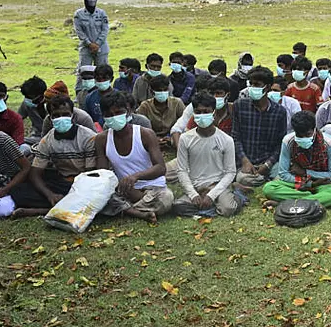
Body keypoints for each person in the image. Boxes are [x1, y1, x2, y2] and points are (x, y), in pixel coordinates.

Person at [9, 94, 98, 218]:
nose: (61, 118)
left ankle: (42, 210)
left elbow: (90, 174)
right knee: (18, 191)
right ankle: (60, 204)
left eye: (65, 114)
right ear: (50, 118)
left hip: (84, 182)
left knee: (90, 194)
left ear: (72, 116)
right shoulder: (47, 140)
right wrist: (49, 194)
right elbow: (35, 173)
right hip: (62, 182)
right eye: (56, 115)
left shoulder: (88, 137)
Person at [96, 91, 172, 222]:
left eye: (119, 112)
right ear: (103, 116)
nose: (114, 117)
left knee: (166, 198)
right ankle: (139, 212)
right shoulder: (102, 139)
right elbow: (103, 173)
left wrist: (135, 177)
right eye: (109, 115)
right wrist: (116, 185)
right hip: (123, 190)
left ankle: (126, 209)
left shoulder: (145, 134)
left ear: (128, 111)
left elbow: (160, 168)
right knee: (100, 196)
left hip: (152, 188)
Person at [173, 93, 246, 218]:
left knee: (228, 209)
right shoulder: (185, 138)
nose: (202, 115)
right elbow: (182, 170)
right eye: (198, 112)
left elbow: (230, 172)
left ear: (213, 112)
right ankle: (209, 207)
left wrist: (211, 195)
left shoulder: (226, 140)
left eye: (206, 111)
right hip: (195, 186)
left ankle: (237, 196)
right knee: (177, 206)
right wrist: (193, 194)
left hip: (217, 185)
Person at [263, 111, 331, 208]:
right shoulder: (288, 141)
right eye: (299, 135)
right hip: (297, 182)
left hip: (323, 184)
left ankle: (288, 203)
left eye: (308, 134)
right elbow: (283, 174)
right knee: (269, 188)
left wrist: (305, 172)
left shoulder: (329, 142)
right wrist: (310, 184)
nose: (304, 138)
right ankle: (311, 201)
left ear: (314, 130)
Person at [232, 66, 288, 187]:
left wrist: (268, 164)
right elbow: (236, 137)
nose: (252, 88)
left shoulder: (279, 112)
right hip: (246, 160)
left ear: (267, 87)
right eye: (250, 84)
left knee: (283, 176)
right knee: (243, 179)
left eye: (257, 84)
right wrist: (245, 161)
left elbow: (280, 144)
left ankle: (266, 179)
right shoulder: (240, 106)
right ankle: (266, 181)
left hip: (269, 161)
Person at [73, 0, 109, 90]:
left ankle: (103, 91)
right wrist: (89, 44)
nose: (92, 0)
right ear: (85, 0)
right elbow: (79, 31)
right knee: (83, 71)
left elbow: (105, 29)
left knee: (103, 71)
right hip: (86, 48)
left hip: (101, 47)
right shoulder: (78, 14)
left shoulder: (101, 13)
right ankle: (80, 92)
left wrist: (97, 44)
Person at [137, 75, 186, 147]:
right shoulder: (145, 106)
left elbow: (185, 123)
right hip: (152, 138)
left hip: (173, 136)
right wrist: (154, 139)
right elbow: (139, 128)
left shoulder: (177, 103)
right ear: (152, 91)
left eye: (165, 90)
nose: (162, 92)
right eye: (159, 90)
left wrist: (172, 138)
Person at [0, 81, 26, 153]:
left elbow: (17, 142)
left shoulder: (15, 118)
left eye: (1, 96)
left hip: (8, 151)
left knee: (24, 148)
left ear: (6, 97)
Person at [18, 76, 49, 147]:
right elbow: (18, 118)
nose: (28, 100)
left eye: (30, 97)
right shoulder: (27, 104)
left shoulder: (54, 104)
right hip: (36, 137)